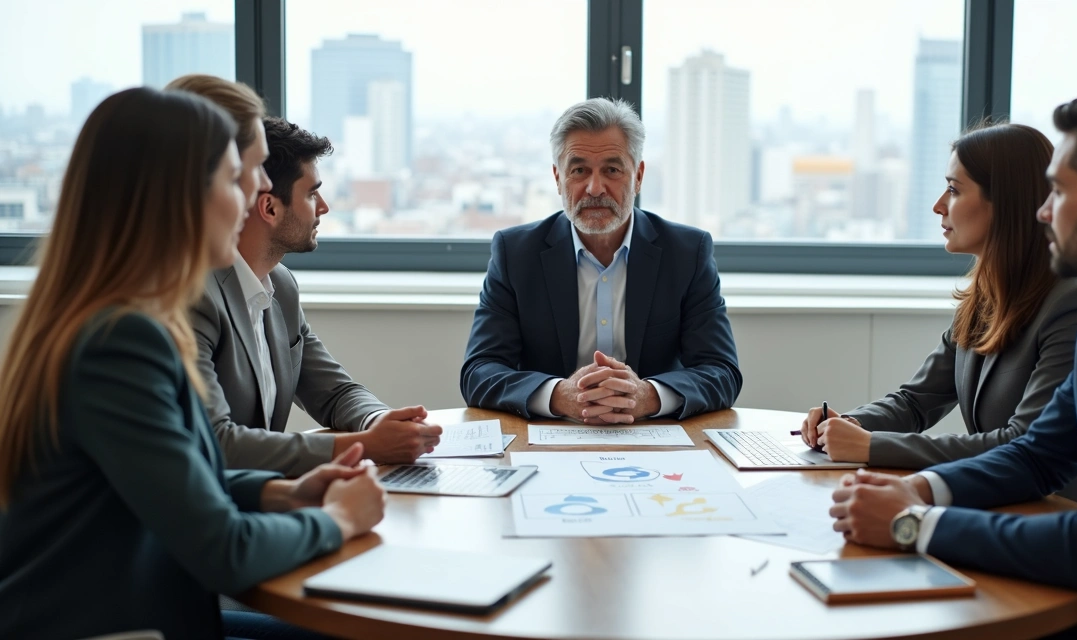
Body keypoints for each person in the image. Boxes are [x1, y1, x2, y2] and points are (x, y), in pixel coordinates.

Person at [829, 87, 1077, 638]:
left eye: (1057, 191)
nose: (1041, 210)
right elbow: (1038, 455)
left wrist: (913, 523)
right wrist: (919, 490)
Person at [0, 87, 385, 639]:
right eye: (237, 178)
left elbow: (170, 479)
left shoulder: (123, 318)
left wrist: (282, 492)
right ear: (178, 196)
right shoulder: (121, 341)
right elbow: (223, 550)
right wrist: (339, 518)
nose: (255, 193)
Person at [173, 74, 442, 478]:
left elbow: (333, 391)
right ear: (269, 207)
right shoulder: (194, 296)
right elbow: (217, 442)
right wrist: (363, 445)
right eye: (312, 193)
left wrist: (379, 423)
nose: (325, 207)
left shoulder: (280, 286)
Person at [802, 123, 1077, 472]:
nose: (938, 206)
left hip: (1048, 511)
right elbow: (915, 402)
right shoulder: (982, 302)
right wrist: (847, 425)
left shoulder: (1072, 308)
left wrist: (871, 446)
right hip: (993, 500)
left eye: (954, 191)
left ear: (1005, 202)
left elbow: (1021, 443)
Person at [460, 97, 742, 424]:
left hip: (655, 437)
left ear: (637, 176)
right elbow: (479, 371)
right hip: (549, 440)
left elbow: (722, 371)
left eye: (611, 169)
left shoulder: (687, 252)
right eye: (579, 170)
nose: (595, 188)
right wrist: (558, 395)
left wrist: (647, 396)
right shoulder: (516, 253)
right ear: (557, 178)